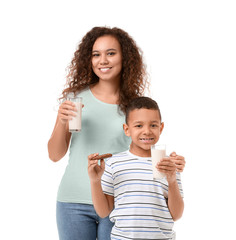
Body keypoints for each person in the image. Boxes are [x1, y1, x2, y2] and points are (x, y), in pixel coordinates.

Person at [48, 26, 185, 240]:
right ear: (89, 59)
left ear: (125, 58)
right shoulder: (75, 98)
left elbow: (145, 148)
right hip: (73, 201)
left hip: (119, 200)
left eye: (111, 53)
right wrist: (61, 121)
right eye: (96, 54)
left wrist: (172, 165)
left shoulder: (135, 105)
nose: (103, 60)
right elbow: (55, 155)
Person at [88, 97, 184, 240]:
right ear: (127, 129)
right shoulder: (114, 163)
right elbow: (103, 212)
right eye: (139, 126)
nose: (147, 131)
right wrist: (95, 181)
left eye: (153, 125)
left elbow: (176, 215)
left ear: (161, 128)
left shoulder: (168, 164)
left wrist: (171, 180)